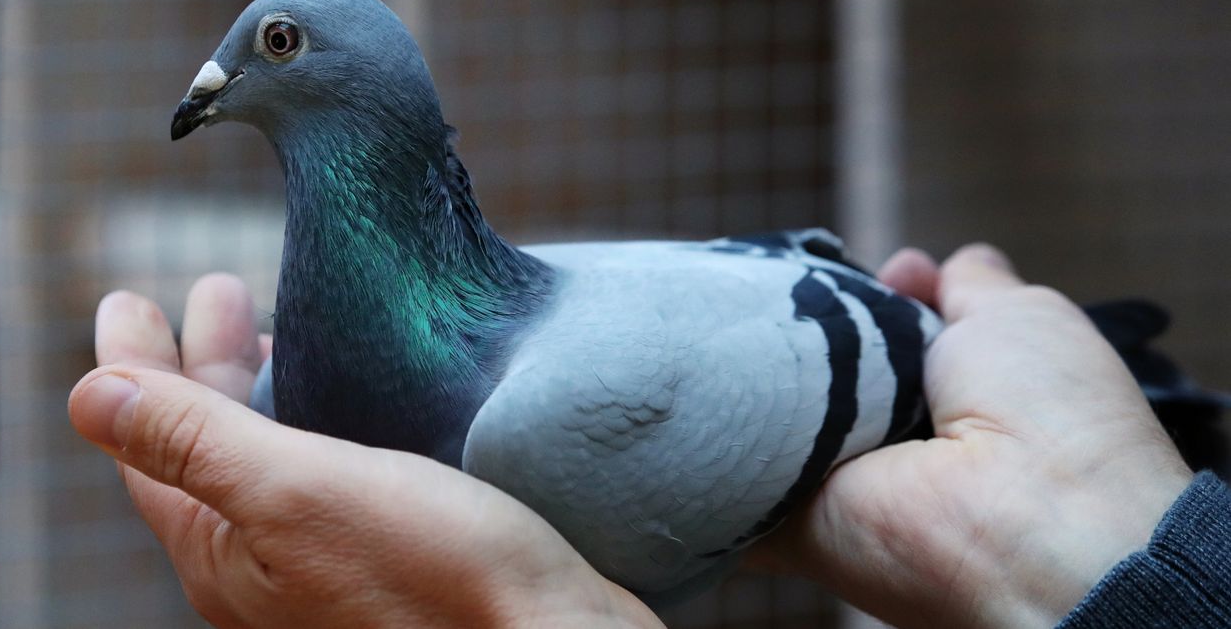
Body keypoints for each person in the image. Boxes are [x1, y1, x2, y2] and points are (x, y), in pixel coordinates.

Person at [68, 244, 1228, 628]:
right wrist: (1100, 531)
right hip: (744, 306)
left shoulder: (541, 429)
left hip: (842, 342)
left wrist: (542, 613)